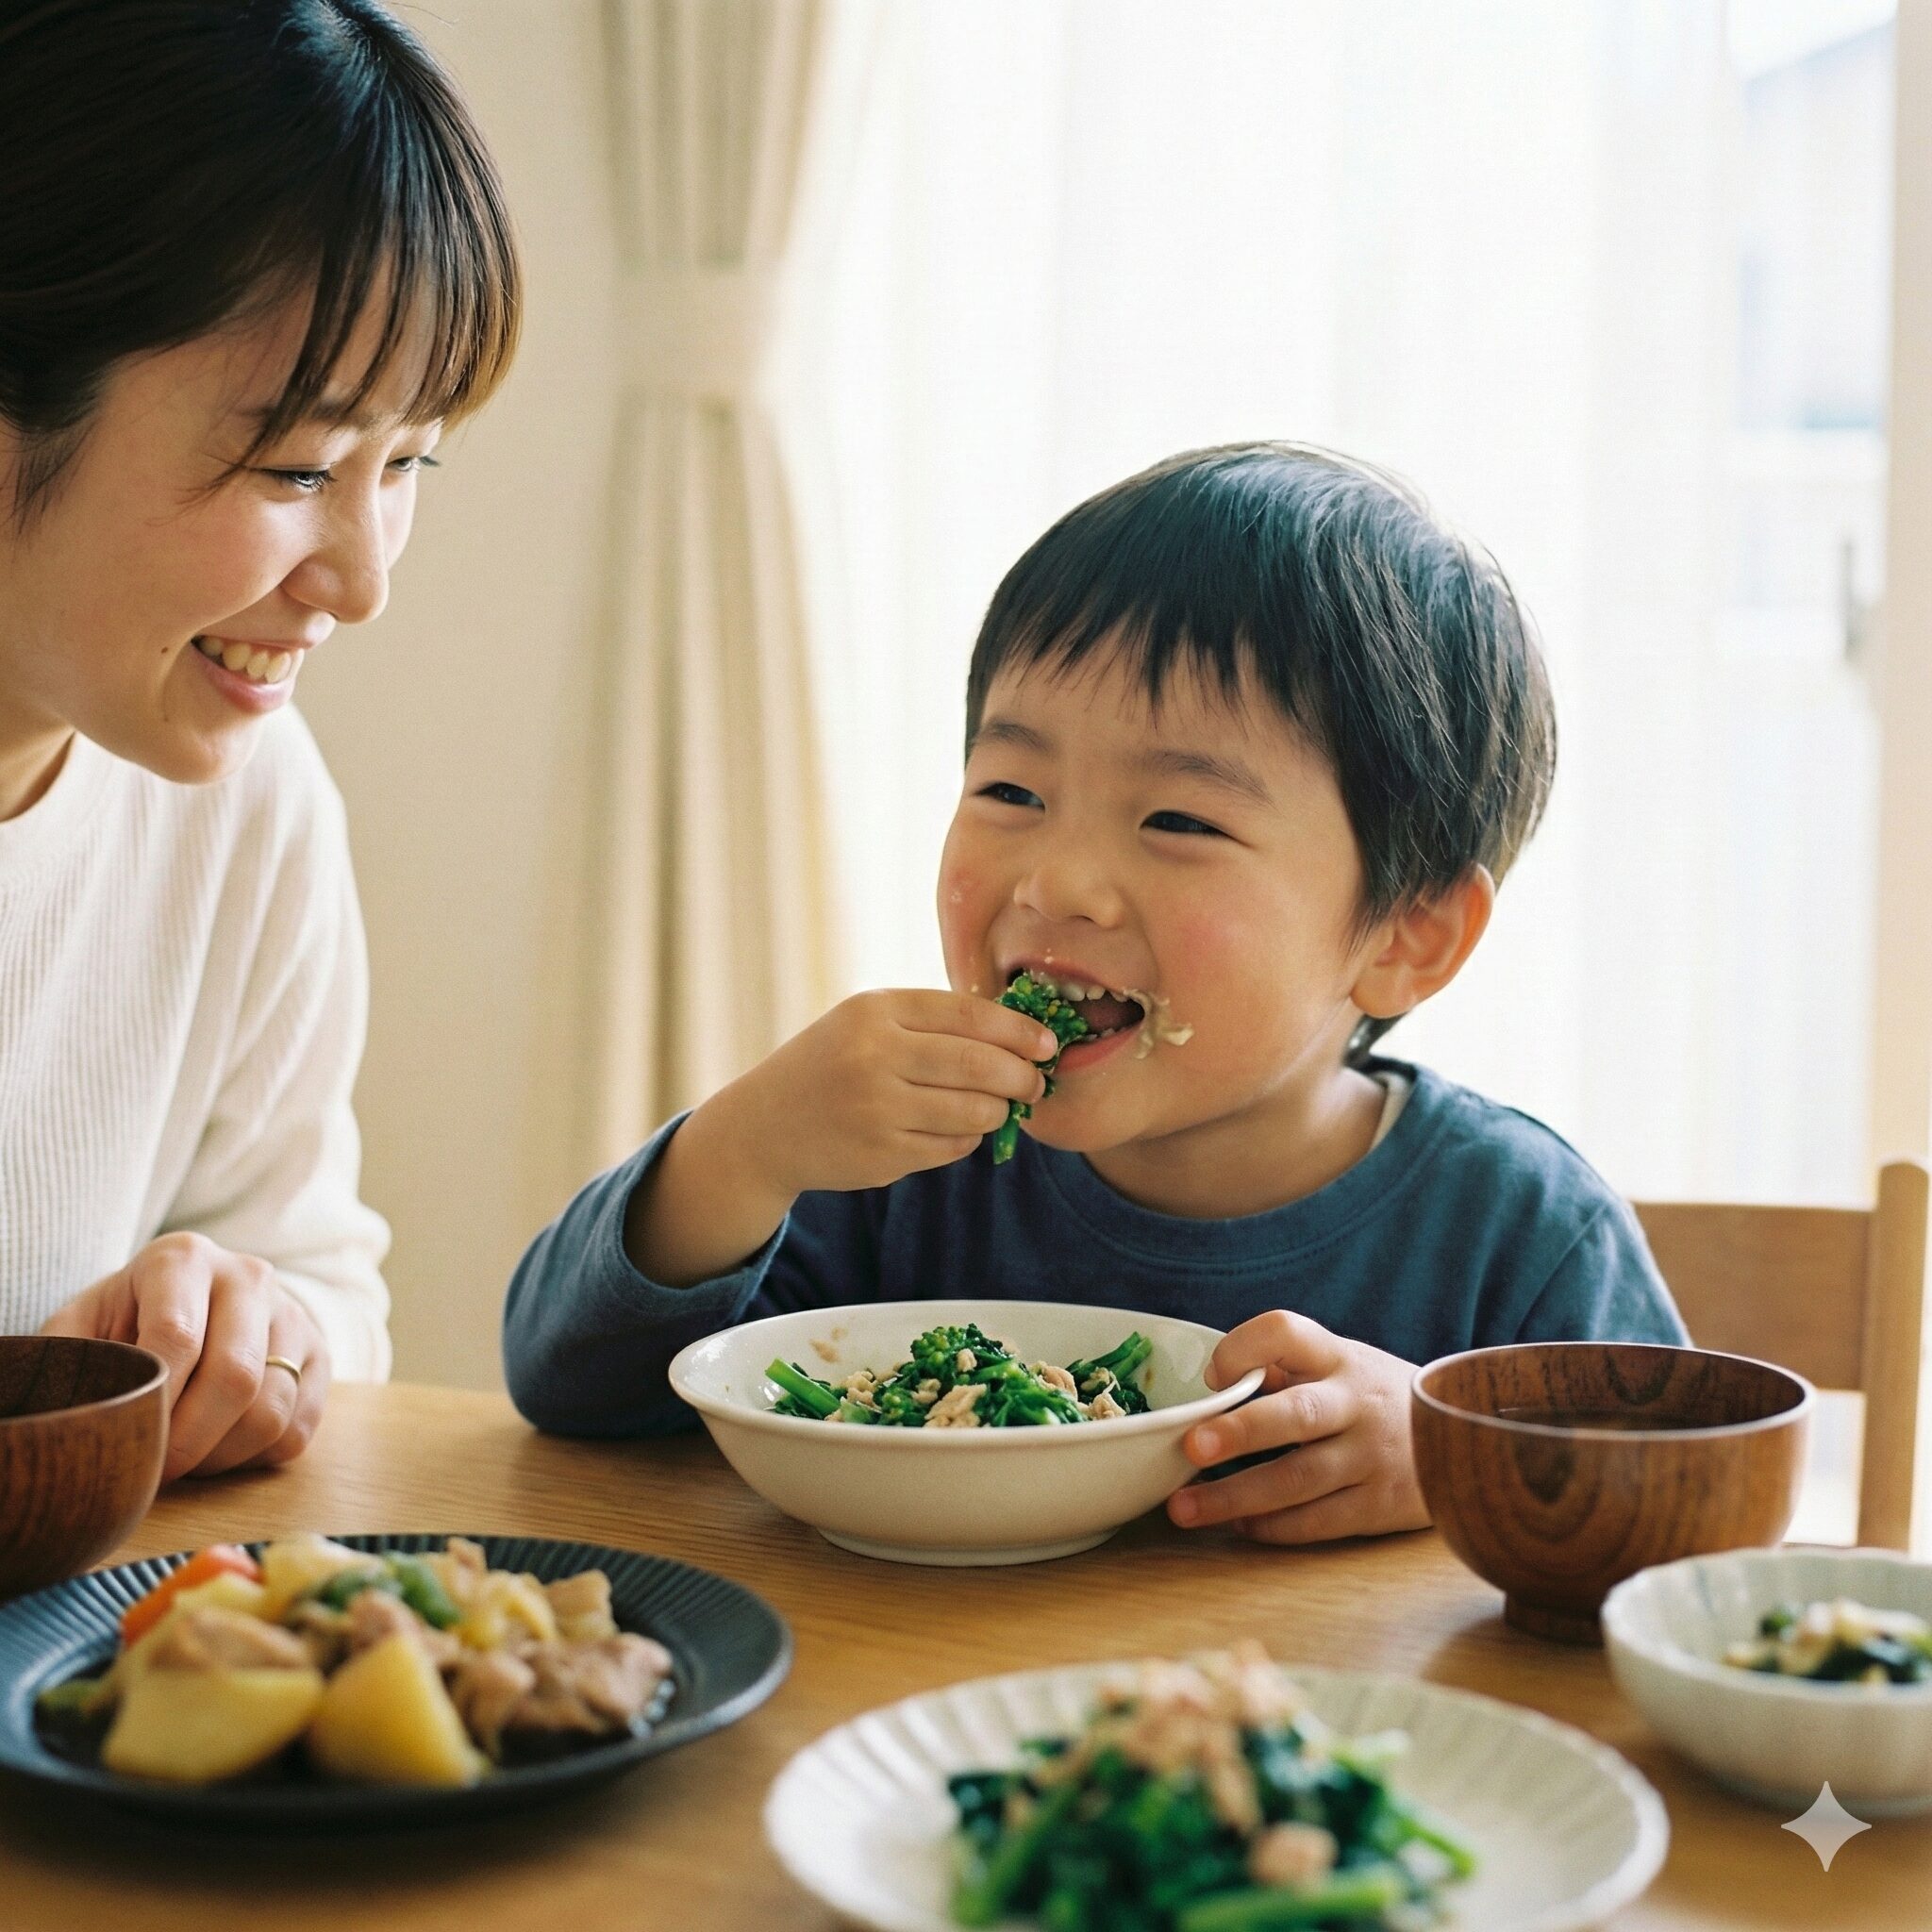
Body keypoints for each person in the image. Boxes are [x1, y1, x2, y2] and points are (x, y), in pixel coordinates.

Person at [502, 443, 1686, 1544]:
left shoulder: (1515, 1229)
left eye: (1177, 818)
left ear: (1405, 936)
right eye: (1011, 789)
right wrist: (747, 1145)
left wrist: (1459, 1455)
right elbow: (569, 1390)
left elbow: (1682, 1514)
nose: (1056, 878)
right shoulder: (898, 1160)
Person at [0, 0, 519, 1479]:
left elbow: (321, 1281)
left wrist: (254, 1327)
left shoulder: (241, 799)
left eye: (406, 461)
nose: (361, 581)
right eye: (298, 463)